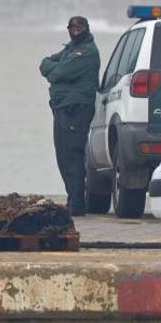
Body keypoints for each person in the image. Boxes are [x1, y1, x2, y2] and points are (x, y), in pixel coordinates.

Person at [39, 16, 100, 216]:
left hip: (75, 110)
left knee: (72, 156)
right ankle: (73, 200)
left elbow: (57, 74)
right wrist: (53, 68)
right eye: (72, 27)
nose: (75, 30)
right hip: (63, 108)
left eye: (79, 27)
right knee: (63, 156)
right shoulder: (71, 49)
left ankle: (77, 204)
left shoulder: (86, 52)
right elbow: (45, 62)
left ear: (86, 29)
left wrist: (53, 71)